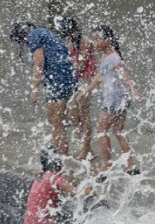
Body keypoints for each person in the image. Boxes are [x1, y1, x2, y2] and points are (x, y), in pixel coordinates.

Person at [78, 25, 143, 174]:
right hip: (120, 97)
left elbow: (124, 74)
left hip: (114, 99)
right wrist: (86, 91)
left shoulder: (113, 57)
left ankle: (107, 164)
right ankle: (130, 165)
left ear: (107, 40)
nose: (94, 43)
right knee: (119, 131)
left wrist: (134, 89)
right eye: (93, 39)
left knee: (101, 130)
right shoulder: (105, 56)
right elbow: (99, 77)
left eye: (97, 39)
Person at [10, 21, 77, 156]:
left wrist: (34, 88)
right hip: (65, 79)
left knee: (55, 121)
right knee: (55, 121)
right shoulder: (44, 32)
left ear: (22, 36)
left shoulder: (33, 36)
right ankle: (55, 157)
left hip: (58, 80)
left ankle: (61, 159)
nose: (23, 45)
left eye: (21, 42)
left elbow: (39, 62)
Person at [21, 147, 90, 224]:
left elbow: (37, 170)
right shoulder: (55, 178)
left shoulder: (41, 174)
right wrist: (95, 187)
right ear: (57, 163)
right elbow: (79, 193)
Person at [60, 18, 97, 161]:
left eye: (69, 33)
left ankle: (86, 150)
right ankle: (88, 149)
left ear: (75, 30)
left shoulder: (86, 42)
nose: (68, 37)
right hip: (73, 81)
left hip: (84, 82)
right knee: (75, 117)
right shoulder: (71, 41)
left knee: (84, 116)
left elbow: (80, 66)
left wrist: (63, 70)